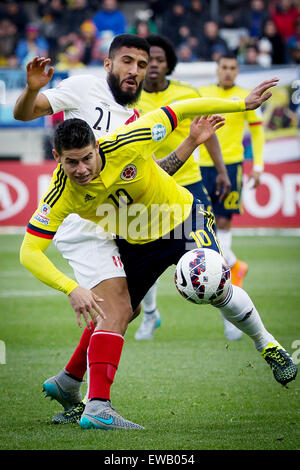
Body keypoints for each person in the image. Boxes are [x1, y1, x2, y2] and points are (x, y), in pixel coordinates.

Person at [19, 81, 298, 431]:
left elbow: (180, 109)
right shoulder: (59, 194)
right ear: (57, 159)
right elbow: (29, 251)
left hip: (182, 221)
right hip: (136, 242)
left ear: (96, 146)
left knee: (212, 281)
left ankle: (267, 344)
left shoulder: (128, 140)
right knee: (119, 310)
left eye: (87, 158)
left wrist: (242, 103)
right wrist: (70, 287)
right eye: (71, 163)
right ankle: (78, 390)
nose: (82, 170)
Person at [13, 33, 151, 424]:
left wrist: (192, 141)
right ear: (108, 64)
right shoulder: (84, 87)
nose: (134, 71)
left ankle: (69, 380)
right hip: (79, 217)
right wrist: (31, 90)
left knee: (130, 306)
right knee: (119, 307)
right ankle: (98, 407)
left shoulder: (133, 116)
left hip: (112, 220)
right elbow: (26, 113)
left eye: (141, 65)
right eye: (127, 61)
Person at [133, 34, 233, 341]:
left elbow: (209, 133)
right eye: (147, 60)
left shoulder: (186, 94)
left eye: (160, 60)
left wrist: (220, 170)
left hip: (189, 187)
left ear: (169, 64)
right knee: (141, 261)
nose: (153, 65)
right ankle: (150, 316)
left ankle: (231, 317)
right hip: (147, 190)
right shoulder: (130, 97)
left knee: (211, 258)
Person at [198, 52, 265, 341]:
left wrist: (259, 166)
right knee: (203, 227)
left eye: (232, 68)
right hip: (200, 167)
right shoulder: (204, 94)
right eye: (223, 67)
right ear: (217, 69)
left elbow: (258, 132)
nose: (227, 72)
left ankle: (228, 278)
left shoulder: (246, 98)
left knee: (223, 224)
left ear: (237, 70)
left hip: (233, 165)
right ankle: (235, 265)